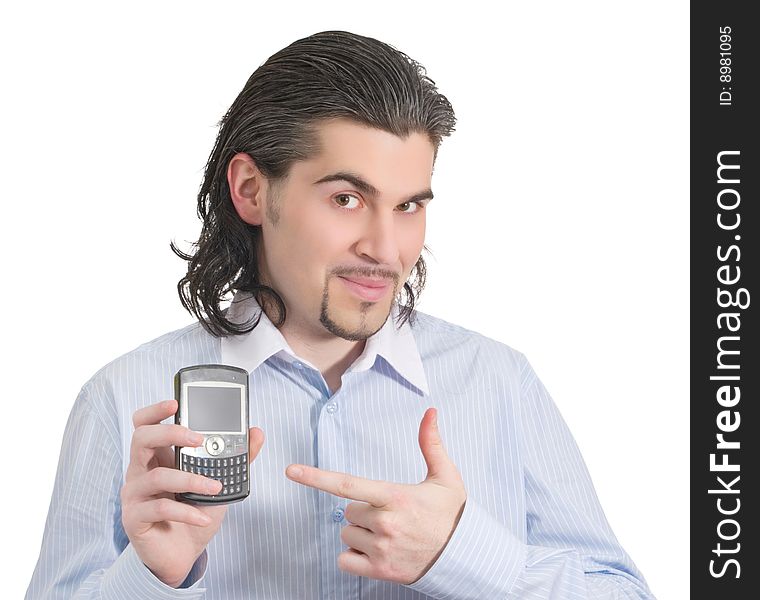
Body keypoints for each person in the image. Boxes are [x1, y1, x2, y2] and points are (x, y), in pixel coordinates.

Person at [26, 30, 655, 599]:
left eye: (409, 205)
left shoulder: (499, 383)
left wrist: (460, 555)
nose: (386, 249)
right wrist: (150, 577)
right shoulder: (120, 399)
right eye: (347, 198)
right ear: (251, 190)